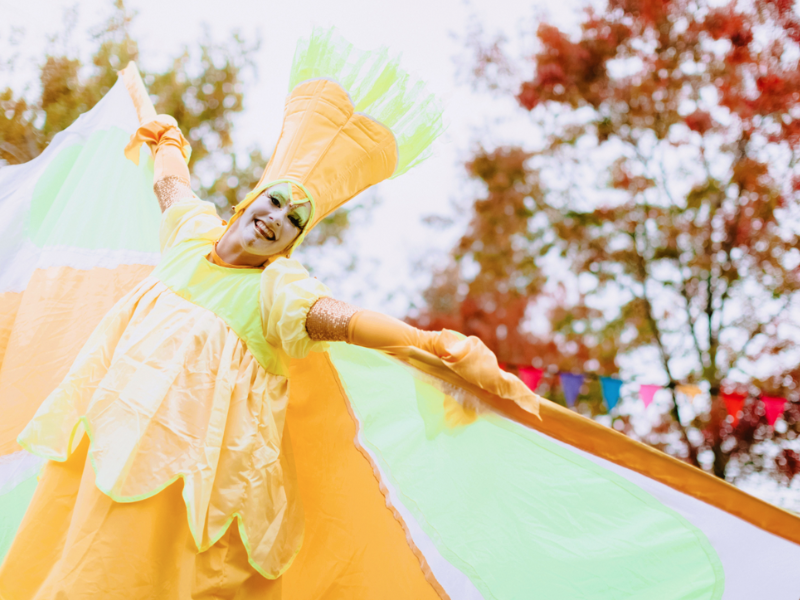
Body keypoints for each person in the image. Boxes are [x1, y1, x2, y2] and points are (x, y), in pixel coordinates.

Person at [0, 28, 536, 600]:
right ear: (250, 201)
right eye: (275, 200)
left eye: (294, 219)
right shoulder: (191, 235)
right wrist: (166, 140)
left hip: (183, 479)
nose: (277, 217)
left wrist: (429, 344)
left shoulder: (278, 291)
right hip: (110, 441)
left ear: (290, 242)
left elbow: (347, 320)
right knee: (72, 569)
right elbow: (172, 183)